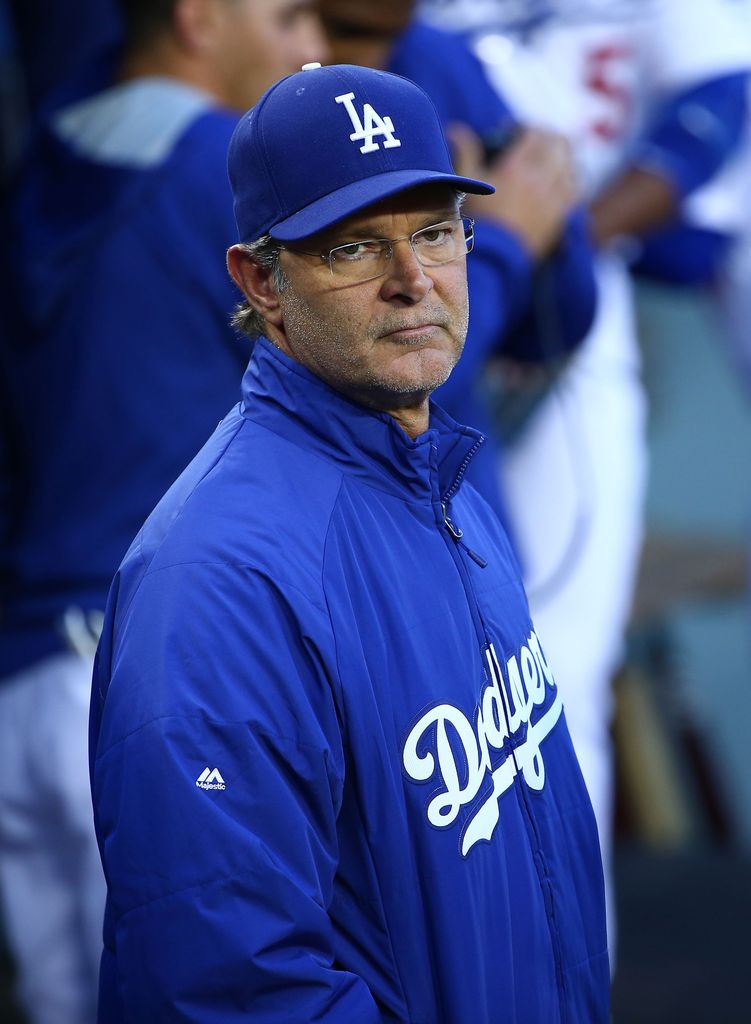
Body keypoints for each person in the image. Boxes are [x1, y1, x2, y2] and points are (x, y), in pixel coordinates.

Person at [89, 62, 610, 1022]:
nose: (414, 281)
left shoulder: (436, 467)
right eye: (353, 249)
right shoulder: (217, 581)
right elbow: (230, 988)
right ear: (262, 281)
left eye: (433, 232)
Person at [0, 3, 327, 1023]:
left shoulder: (37, 163)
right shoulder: (219, 179)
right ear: (196, 17)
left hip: (20, 679)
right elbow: (391, 396)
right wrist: (502, 249)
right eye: (283, 13)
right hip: (154, 690)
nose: (306, 45)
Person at [418, 0, 751, 960]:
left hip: (557, 302)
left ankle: (566, 977)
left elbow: (714, 103)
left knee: (546, 687)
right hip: (452, 297)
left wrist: (547, 253)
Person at [317, 0, 598, 528]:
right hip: (334, 526)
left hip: (458, 509)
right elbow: (379, 384)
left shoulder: (433, 56)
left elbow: (563, 313)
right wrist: (501, 243)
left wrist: (535, 226)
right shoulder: (258, 84)